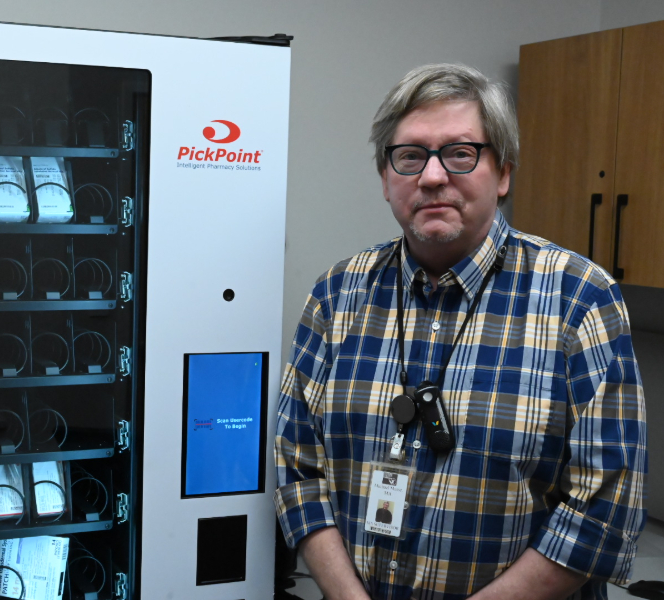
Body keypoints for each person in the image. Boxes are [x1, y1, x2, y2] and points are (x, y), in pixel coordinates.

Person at [273, 63, 646, 600]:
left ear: (503, 172)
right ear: (385, 177)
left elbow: (604, 510)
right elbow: (298, 469)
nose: (431, 176)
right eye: (410, 156)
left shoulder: (580, 298)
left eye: (460, 153)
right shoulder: (337, 294)